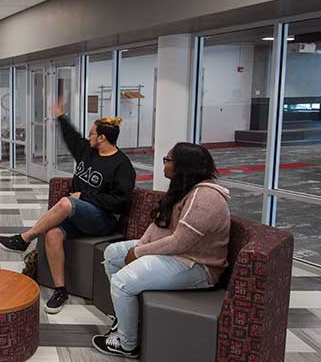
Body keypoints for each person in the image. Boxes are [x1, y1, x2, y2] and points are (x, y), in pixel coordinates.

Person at [0, 100, 136, 314]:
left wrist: (85, 196)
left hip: (103, 220)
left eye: (91, 134)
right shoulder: (88, 152)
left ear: (102, 138)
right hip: (79, 216)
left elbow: (121, 201)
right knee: (52, 234)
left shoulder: (122, 165)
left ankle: (24, 239)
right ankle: (61, 290)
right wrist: (61, 116)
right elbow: (71, 136)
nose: (87, 137)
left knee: (66, 202)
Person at [91, 142, 230, 359]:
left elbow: (179, 243)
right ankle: (125, 316)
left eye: (167, 160)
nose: (163, 164)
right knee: (113, 253)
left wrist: (138, 253)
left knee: (121, 282)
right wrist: (139, 247)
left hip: (198, 267)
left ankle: (127, 344)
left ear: (183, 166)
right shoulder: (184, 189)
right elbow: (159, 224)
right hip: (180, 255)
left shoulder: (206, 197)